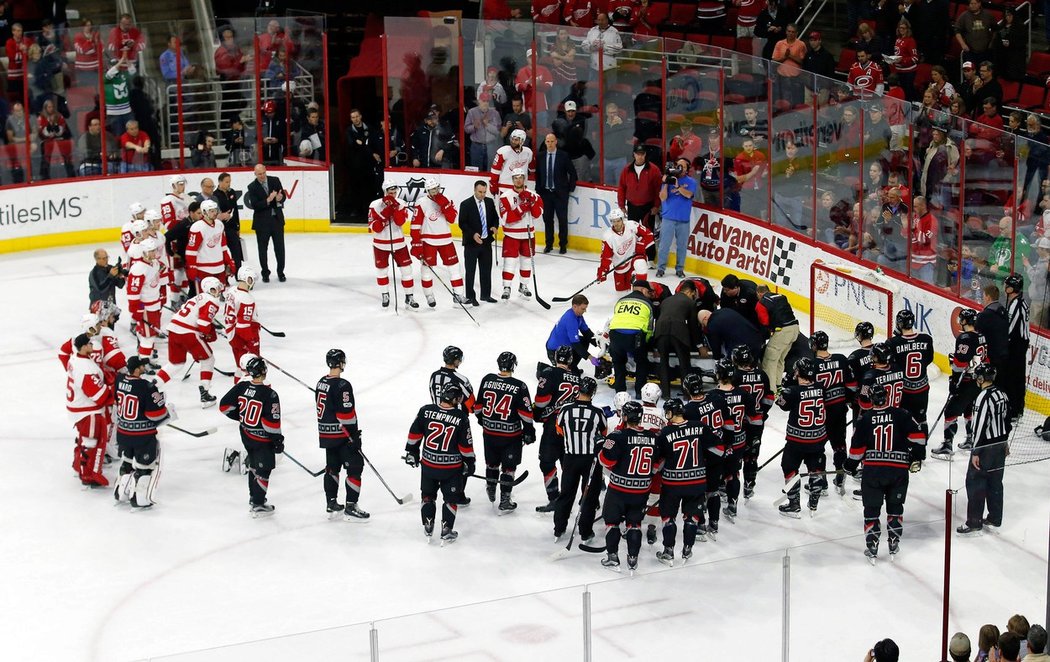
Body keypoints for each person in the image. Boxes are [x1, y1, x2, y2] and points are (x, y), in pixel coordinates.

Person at [846, 383, 925, 561]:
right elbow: (919, 438)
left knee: (872, 509)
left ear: (872, 399)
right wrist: (915, 457)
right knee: (895, 507)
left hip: (873, 472)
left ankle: (872, 545)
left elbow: (857, 451)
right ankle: (894, 541)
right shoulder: (902, 415)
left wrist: (849, 465)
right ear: (887, 397)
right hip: (898, 471)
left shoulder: (865, 419)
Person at [405, 382, 475, 543]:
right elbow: (465, 445)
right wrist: (470, 463)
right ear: (455, 398)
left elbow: (414, 433)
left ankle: (428, 525)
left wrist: (412, 452)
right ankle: (446, 530)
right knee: (450, 499)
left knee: (428, 496)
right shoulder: (460, 417)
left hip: (429, 465)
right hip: (451, 468)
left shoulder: (426, 410)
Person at [653, 396, 717, 566]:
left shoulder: (665, 433)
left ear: (672, 413)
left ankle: (668, 552)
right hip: (696, 483)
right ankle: (687, 549)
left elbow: (657, 461)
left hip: (672, 484)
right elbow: (718, 449)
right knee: (692, 517)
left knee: (668, 517)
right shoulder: (699, 426)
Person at [219, 357, 283, 517]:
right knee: (264, 469)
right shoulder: (270, 394)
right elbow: (271, 423)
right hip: (262, 439)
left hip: (246, 434)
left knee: (254, 465)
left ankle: (254, 498)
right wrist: (277, 439)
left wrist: (241, 417)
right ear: (263, 371)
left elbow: (224, 406)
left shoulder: (241, 386)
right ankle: (258, 504)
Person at [597, 400, 656, 572]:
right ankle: (633, 559)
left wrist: (600, 446)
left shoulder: (617, 437)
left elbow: (605, 460)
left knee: (612, 522)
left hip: (618, 490)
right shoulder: (653, 437)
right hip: (641, 490)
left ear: (624, 416)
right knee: (635, 523)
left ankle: (613, 557)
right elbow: (657, 463)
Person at [474, 351, 534, 511]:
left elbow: (478, 407)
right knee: (509, 467)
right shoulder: (519, 386)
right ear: (514, 365)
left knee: (491, 463)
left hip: (489, 433)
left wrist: (483, 421)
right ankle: (505, 500)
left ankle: (491, 488)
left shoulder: (487, 380)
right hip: (511, 436)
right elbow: (526, 413)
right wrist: (529, 431)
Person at [315, 349, 370, 521]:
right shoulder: (342, 385)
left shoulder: (321, 383)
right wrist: (354, 436)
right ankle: (351, 506)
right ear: (341, 363)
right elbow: (345, 415)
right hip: (342, 435)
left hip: (326, 434)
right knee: (355, 468)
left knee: (332, 468)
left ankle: (331, 502)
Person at [956, 362, 1010, 536]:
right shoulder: (1002, 394)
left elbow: (978, 427)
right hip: (1000, 446)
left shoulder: (982, 398)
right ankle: (995, 517)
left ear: (980, 378)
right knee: (995, 482)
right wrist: (1005, 442)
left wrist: (976, 451)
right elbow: (1007, 421)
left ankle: (974, 522)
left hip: (986, 448)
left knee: (975, 483)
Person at [552, 376, 607, 540]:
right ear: (593, 392)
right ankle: (585, 532)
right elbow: (603, 435)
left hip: (570, 459)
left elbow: (559, 430)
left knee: (566, 494)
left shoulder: (565, 410)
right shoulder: (598, 413)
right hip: (591, 461)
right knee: (589, 497)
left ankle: (559, 528)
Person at [155, 276, 224, 407]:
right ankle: (205, 393)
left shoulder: (198, 297)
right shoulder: (212, 301)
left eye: (218, 288)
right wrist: (209, 334)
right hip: (188, 332)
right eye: (214, 289)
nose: (217, 291)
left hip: (174, 329)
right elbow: (203, 324)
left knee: (176, 363)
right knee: (208, 359)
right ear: (208, 289)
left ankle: (153, 385)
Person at [112, 356, 169, 508]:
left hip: (123, 433)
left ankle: (121, 491)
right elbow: (157, 414)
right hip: (142, 436)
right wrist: (167, 410)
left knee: (127, 462)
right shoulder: (146, 386)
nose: (144, 368)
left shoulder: (119, 379)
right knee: (145, 466)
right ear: (137, 369)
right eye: (142, 366)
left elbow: (116, 401)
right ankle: (139, 499)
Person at [681, 372, 732, 539]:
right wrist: (728, 444)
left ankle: (701, 525)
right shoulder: (717, 399)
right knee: (713, 490)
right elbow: (729, 424)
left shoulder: (688, 410)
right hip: (718, 452)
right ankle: (714, 523)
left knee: (698, 492)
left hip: (700, 457)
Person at [933, 309, 989, 459]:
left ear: (965, 321)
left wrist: (954, 380)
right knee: (969, 409)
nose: (960, 321)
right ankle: (970, 439)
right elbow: (985, 359)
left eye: (961, 319)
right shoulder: (982, 336)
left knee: (951, 411)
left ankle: (947, 445)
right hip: (978, 381)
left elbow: (959, 363)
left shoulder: (964, 338)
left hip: (966, 381)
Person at [776, 358, 828, 517]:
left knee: (789, 468)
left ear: (798, 372)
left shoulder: (792, 391)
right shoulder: (820, 387)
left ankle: (794, 504)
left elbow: (782, 404)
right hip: (818, 439)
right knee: (815, 469)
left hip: (797, 441)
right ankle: (814, 503)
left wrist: (783, 387)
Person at [534, 346, 582, 510]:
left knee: (547, 462)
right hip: (573, 426)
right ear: (570, 360)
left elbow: (541, 400)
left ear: (555, 357)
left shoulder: (549, 372)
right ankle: (571, 497)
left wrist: (537, 414)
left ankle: (555, 498)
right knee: (568, 464)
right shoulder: (577, 377)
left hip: (554, 425)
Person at [808, 331, 855, 496]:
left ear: (813, 345)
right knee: (840, 445)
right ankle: (840, 479)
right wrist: (847, 401)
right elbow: (852, 385)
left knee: (818, 447)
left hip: (822, 413)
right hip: (839, 410)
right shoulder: (841, 359)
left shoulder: (812, 364)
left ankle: (821, 483)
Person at [714, 359, 760, 522]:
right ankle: (732, 503)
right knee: (733, 473)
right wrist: (754, 438)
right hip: (739, 441)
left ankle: (718, 494)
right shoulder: (743, 393)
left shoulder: (713, 396)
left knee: (717, 470)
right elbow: (755, 419)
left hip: (719, 444)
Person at [410, 177, 467, 307]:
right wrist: (416, 243)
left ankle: (458, 295)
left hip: (446, 240)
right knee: (427, 270)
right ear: (427, 190)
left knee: (455, 268)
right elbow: (415, 225)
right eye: (432, 189)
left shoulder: (445, 199)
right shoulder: (421, 202)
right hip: (429, 241)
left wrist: (445, 205)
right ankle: (429, 295)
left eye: (437, 188)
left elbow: (452, 219)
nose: (435, 191)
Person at [66, 333, 113, 487]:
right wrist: (113, 393)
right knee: (92, 442)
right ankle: (89, 475)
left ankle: (77, 465)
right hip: (88, 410)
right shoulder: (85, 368)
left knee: (85, 439)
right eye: (90, 344)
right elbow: (98, 395)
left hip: (78, 407)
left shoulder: (75, 358)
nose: (93, 346)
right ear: (84, 346)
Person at [368, 180, 418, 309]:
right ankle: (385, 294)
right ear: (385, 192)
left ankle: (409, 296)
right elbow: (375, 227)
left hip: (398, 243)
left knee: (407, 270)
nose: (393, 195)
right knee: (382, 271)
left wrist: (394, 208)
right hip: (380, 244)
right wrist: (385, 215)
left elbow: (400, 222)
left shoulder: (401, 203)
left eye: (395, 192)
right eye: (391, 193)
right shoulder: (375, 205)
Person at [497, 168, 543, 300]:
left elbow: (537, 214)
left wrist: (531, 203)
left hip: (528, 234)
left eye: (520, 177)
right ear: (512, 180)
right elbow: (506, 218)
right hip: (512, 235)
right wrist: (522, 207)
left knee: (526, 262)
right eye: (515, 178)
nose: (518, 180)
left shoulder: (534, 195)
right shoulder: (505, 196)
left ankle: (523, 285)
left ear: (524, 179)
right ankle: (507, 287)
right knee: (510, 262)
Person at [609, 279, 655, 398]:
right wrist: (646, 342)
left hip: (614, 334)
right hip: (635, 337)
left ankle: (620, 392)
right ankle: (639, 392)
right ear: (644, 290)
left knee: (618, 362)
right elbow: (650, 328)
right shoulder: (647, 303)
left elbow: (615, 317)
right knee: (641, 362)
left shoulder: (620, 301)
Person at [654, 280, 700, 399]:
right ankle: (686, 393)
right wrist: (699, 345)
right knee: (684, 364)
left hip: (661, 331)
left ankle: (665, 394)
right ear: (690, 291)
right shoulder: (689, 302)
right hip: (679, 332)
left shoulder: (666, 300)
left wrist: (654, 345)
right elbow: (693, 326)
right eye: (693, 294)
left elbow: (658, 319)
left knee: (663, 362)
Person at [243, 164, 286, 283]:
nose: (262, 176)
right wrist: (268, 200)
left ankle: (280, 272)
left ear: (266, 171)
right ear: (255, 174)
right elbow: (255, 205)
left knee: (280, 248)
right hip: (262, 223)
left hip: (276, 220)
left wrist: (279, 198)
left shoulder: (275, 180)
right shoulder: (252, 187)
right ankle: (265, 273)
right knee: (262, 249)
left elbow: (283, 196)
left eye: (263, 173)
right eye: (259, 174)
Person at [458, 179, 499, 305]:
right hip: (471, 243)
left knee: (486, 270)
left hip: (486, 243)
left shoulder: (489, 202)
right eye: (480, 192)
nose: (482, 194)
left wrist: (494, 226)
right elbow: (462, 223)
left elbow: (495, 218)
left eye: (484, 192)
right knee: (470, 271)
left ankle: (486, 295)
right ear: (474, 190)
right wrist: (473, 234)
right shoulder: (466, 204)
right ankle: (470, 296)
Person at [536, 133, 577, 254]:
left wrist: (569, 188)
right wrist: (539, 189)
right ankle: (549, 244)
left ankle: (563, 245)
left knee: (562, 220)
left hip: (560, 194)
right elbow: (538, 174)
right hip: (545, 194)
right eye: (548, 141)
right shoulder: (540, 156)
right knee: (547, 220)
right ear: (545, 142)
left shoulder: (563, 156)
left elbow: (573, 173)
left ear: (556, 142)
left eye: (552, 141)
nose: (550, 144)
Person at [125, 239, 164, 367]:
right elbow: (133, 293)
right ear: (144, 252)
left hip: (155, 305)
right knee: (148, 337)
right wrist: (137, 309)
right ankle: (143, 363)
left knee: (149, 335)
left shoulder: (155, 263)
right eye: (151, 251)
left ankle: (147, 358)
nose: (154, 253)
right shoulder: (138, 269)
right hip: (146, 307)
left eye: (154, 250)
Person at [597, 207, 654, 294]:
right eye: (613, 221)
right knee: (621, 293)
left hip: (635, 256)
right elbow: (606, 257)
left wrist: (641, 245)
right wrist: (603, 270)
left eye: (618, 221)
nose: (616, 224)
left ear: (622, 220)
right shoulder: (608, 237)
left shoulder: (632, 225)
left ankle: (641, 292)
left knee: (641, 265)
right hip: (621, 264)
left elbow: (648, 234)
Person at [657, 157, 696, 278]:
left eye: (683, 166)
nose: (680, 168)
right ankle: (660, 268)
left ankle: (680, 269)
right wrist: (665, 184)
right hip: (668, 218)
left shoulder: (691, 181)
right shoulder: (667, 180)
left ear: (687, 169)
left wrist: (678, 186)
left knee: (682, 246)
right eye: (678, 165)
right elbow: (662, 198)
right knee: (664, 245)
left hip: (683, 220)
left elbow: (689, 195)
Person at [756, 283, 799, 389]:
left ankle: (770, 390)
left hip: (783, 332)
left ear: (759, 293)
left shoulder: (761, 303)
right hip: (795, 329)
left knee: (769, 360)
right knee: (780, 359)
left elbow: (764, 323)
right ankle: (778, 385)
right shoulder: (781, 296)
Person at [186, 199, 235, 293]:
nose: (215, 213)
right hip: (203, 270)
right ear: (204, 212)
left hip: (219, 268)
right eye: (211, 211)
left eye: (215, 210)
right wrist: (192, 267)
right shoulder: (197, 227)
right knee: (204, 300)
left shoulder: (219, 225)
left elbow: (223, 246)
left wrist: (229, 261)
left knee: (220, 297)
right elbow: (191, 250)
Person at [223, 267, 260, 384]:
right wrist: (253, 342)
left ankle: (236, 390)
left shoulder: (232, 290)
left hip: (231, 333)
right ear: (246, 279)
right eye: (251, 279)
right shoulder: (247, 299)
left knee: (240, 365)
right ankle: (244, 393)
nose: (253, 282)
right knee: (249, 369)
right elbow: (243, 327)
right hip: (242, 336)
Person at [617, 144, 663, 235]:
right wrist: (621, 205)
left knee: (648, 233)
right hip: (632, 207)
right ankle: (633, 249)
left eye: (642, 154)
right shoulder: (627, 170)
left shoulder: (654, 170)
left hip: (648, 207)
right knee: (631, 233)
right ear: (634, 154)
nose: (640, 156)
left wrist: (656, 206)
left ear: (645, 154)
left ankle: (650, 249)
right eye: (638, 154)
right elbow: (622, 187)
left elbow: (658, 189)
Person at [345, 109, 382, 218]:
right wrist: (361, 144)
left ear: (360, 116)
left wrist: (362, 144)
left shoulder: (369, 128)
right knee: (356, 187)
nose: (355, 119)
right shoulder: (349, 131)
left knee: (369, 186)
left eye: (357, 116)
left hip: (368, 164)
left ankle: (368, 209)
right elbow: (352, 144)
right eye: (353, 117)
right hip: (355, 165)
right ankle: (356, 210)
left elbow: (372, 143)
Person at [1002, 274, 1029, 421]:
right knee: (1018, 377)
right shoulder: (1020, 302)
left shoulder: (1015, 305)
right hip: (1020, 345)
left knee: (1012, 378)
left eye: (1006, 285)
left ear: (1011, 288)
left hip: (1016, 346)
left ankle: (1013, 410)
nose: (1004, 287)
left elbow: (1009, 328)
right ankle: (1018, 409)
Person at [545, 294, 594, 368]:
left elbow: (587, 332)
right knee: (579, 344)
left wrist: (601, 344)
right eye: (583, 309)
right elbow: (575, 344)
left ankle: (572, 367)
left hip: (564, 346)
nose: (585, 311)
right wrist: (590, 357)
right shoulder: (571, 319)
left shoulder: (578, 316)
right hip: (555, 351)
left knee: (584, 341)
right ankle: (571, 368)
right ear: (575, 306)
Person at [976, 285, 1009, 387]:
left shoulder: (985, 315)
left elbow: (976, 333)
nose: (982, 298)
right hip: (1004, 355)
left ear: (988, 297)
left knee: (990, 385)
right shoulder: (1004, 311)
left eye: (983, 295)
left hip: (991, 357)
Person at [213, 173, 244, 273]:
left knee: (237, 252)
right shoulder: (215, 195)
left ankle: (239, 274)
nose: (229, 184)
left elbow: (235, 211)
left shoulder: (232, 192)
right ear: (220, 182)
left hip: (231, 228)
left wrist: (237, 227)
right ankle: (224, 277)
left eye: (229, 181)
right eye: (226, 182)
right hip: (220, 229)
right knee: (222, 253)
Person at [465, 92, 501, 170]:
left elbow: (498, 132)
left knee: (491, 170)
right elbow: (466, 129)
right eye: (483, 101)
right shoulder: (472, 112)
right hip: (476, 147)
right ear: (479, 101)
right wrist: (474, 127)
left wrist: (488, 125)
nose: (485, 103)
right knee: (476, 170)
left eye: (487, 101)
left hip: (491, 146)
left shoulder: (495, 113)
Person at [490, 128, 534, 193]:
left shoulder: (528, 152)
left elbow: (532, 170)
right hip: (505, 188)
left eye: (516, 140)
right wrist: (493, 185)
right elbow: (495, 171)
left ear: (522, 141)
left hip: (521, 189)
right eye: (512, 139)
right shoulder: (503, 151)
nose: (513, 141)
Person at [955, 0, 995, 65]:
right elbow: (957, 31)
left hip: (985, 50)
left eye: (975, 3)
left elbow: (995, 29)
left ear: (979, 4)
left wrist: (992, 42)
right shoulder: (964, 16)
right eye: (971, 3)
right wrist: (963, 44)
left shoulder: (987, 15)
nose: (972, 5)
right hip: (970, 51)